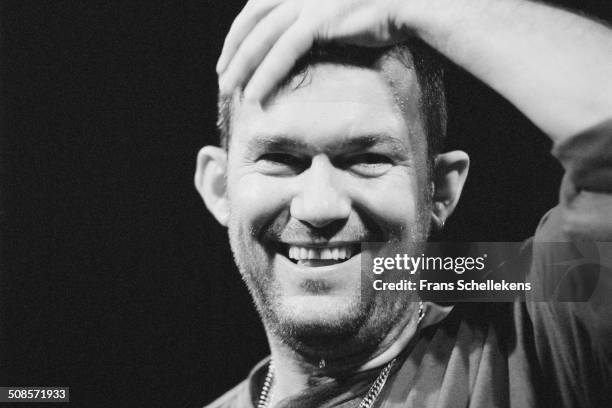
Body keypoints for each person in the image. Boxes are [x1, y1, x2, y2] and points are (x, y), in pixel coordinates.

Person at [195, 0, 612, 406]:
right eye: (281, 159)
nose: (319, 207)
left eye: (367, 159)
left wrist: (417, 7)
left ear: (440, 190)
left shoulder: (532, 344)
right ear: (219, 187)